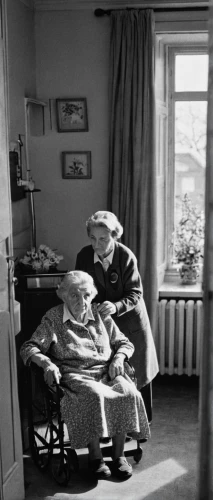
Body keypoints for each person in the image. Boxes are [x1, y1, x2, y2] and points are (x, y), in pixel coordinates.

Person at [20, 271, 150, 480]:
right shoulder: (53, 318)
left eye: (87, 295)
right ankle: (96, 458)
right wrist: (46, 363)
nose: (82, 301)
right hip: (76, 375)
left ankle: (118, 456)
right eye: (74, 295)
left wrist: (118, 359)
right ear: (63, 295)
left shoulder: (100, 314)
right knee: (94, 395)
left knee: (128, 392)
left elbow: (124, 342)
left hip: (107, 370)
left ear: (93, 295)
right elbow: (29, 347)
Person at [75, 211, 159, 422]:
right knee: (107, 373)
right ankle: (112, 425)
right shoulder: (84, 256)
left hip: (129, 321)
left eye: (103, 239)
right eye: (92, 238)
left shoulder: (125, 256)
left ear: (114, 236)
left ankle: (139, 424)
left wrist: (115, 306)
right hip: (101, 324)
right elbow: (80, 287)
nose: (97, 244)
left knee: (135, 372)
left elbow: (135, 293)